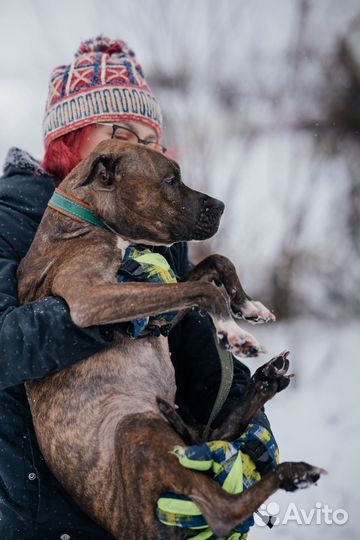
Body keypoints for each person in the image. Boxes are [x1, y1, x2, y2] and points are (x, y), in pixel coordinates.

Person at [0, 36, 272, 540]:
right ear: (72, 141)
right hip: (42, 525)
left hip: (154, 505)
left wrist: (244, 431)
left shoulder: (150, 235)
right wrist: (123, 307)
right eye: (120, 133)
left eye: (151, 142)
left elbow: (193, 353)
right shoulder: (9, 221)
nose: (139, 151)